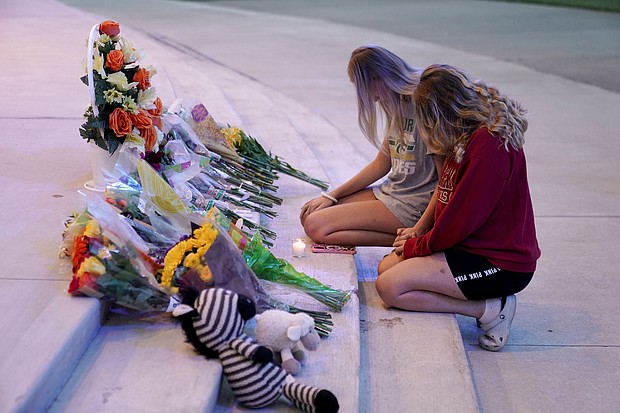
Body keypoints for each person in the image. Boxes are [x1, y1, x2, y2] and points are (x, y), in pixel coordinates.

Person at [376, 64, 541, 351]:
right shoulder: (464, 136)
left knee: (390, 287)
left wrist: (418, 246)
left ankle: (491, 309)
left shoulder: (487, 147)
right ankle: (484, 304)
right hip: (469, 247)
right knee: (387, 267)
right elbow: (445, 194)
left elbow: (459, 222)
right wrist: (418, 233)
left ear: (438, 113)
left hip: (499, 263)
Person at [299, 45, 442, 247]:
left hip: (414, 204)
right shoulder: (394, 102)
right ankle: (410, 237)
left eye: (361, 86)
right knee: (314, 213)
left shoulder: (422, 103)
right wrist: (331, 195)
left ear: (378, 78)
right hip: (394, 191)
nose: (365, 96)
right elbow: (381, 164)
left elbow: (445, 179)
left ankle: (415, 240)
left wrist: (421, 226)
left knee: (316, 225)